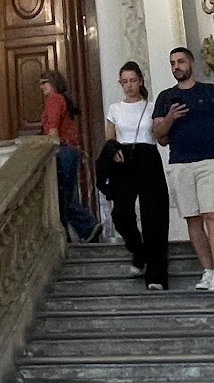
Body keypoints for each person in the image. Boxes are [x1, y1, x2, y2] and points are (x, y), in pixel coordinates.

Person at [152, 46, 214, 291]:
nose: (176, 66)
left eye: (180, 62)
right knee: (193, 219)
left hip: (209, 161)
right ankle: (207, 270)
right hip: (180, 163)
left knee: (212, 215)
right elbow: (158, 134)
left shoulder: (210, 91)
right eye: (172, 63)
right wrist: (170, 118)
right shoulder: (165, 97)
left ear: (191, 63)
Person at [102, 60, 169, 290]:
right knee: (120, 212)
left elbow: (161, 137)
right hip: (124, 161)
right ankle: (139, 250)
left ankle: (157, 275)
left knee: (154, 216)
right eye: (124, 82)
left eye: (132, 81)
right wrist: (114, 152)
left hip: (148, 157)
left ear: (140, 80)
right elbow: (109, 139)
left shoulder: (152, 107)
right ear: (120, 83)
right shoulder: (114, 109)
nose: (129, 86)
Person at [39, 69, 101, 242]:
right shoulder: (62, 100)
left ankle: (87, 226)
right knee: (64, 195)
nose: (42, 87)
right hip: (69, 152)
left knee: (61, 196)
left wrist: (50, 150)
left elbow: (52, 130)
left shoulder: (54, 100)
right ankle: (74, 232)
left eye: (44, 83)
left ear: (52, 82)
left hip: (61, 152)